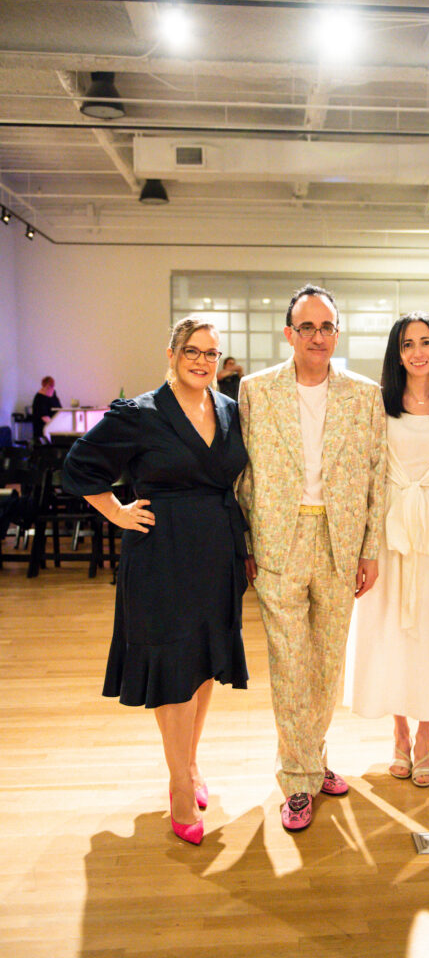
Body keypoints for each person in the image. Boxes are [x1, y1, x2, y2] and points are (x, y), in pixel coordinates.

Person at [62, 316, 250, 846]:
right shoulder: (139, 414)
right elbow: (80, 465)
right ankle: (179, 786)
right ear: (171, 353)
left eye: (211, 353)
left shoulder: (230, 410)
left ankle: (189, 765)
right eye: (192, 351)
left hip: (217, 552)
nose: (202, 361)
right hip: (162, 554)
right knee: (173, 664)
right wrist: (117, 512)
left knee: (207, 661)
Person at [237, 283, 386, 832]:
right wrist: (247, 543)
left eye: (326, 327)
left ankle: (314, 755)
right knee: (289, 663)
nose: (317, 336)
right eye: (307, 327)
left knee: (327, 662)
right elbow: (243, 475)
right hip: (279, 539)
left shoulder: (365, 395)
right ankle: (297, 778)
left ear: (336, 333)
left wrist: (369, 549)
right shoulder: (255, 392)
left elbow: (377, 475)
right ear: (289, 333)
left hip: (340, 540)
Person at [345, 313, 429, 787]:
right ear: (396, 352)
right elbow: (367, 472)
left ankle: (425, 738)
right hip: (390, 522)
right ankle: (398, 734)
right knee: (391, 628)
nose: (417, 352)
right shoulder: (377, 403)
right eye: (407, 344)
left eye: (426, 342)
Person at [32, 376, 62, 441]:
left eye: (52, 386)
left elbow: (59, 408)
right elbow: (44, 417)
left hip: (52, 425)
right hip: (43, 428)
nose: (51, 388)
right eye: (49, 386)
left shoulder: (53, 393)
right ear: (44, 386)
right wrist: (55, 426)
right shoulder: (39, 398)